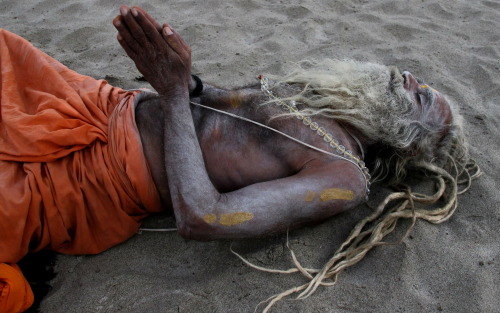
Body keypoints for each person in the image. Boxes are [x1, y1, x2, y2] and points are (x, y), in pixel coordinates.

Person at [0, 6, 479, 313]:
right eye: (418, 81)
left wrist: (169, 92)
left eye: (420, 98)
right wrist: (182, 77)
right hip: (99, 103)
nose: (412, 80)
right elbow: (215, 103)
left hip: (97, 176)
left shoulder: (342, 177)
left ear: (408, 143)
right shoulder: (319, 100)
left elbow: (205, 217)